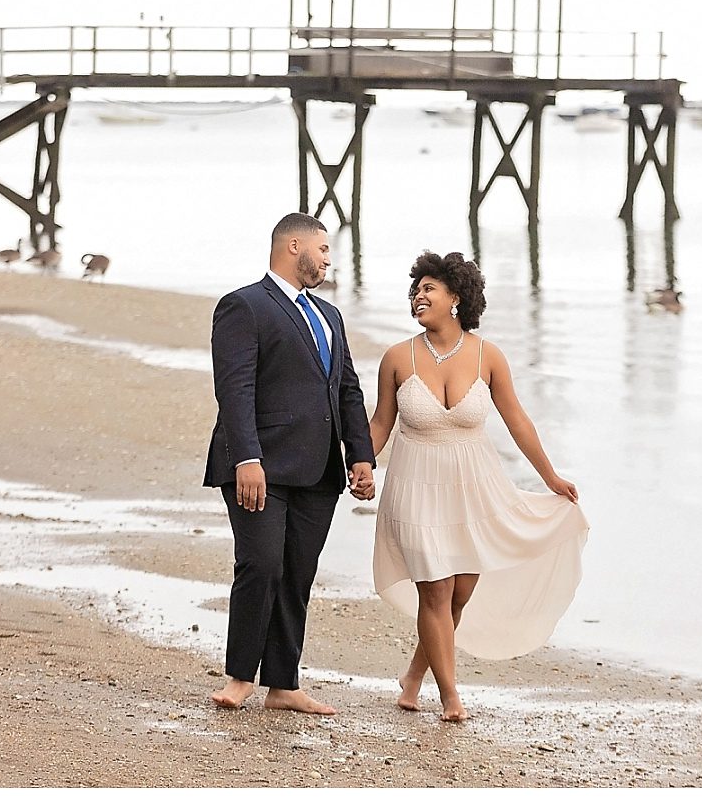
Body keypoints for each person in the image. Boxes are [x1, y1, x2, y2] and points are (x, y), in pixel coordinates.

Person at [367, 251, 589, 721]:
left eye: (428, 289)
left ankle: (414, 675)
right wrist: (361, 464)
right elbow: (381, 422)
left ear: (456, 298)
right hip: (415, 485)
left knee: (460, 592)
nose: (418, 297)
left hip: (474, 486)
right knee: (435, 589)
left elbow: (517, 420)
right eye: (415, 290)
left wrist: (550, 476)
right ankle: (450, 696)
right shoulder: (396, 358)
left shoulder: (488, 356)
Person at [203, 213, 375, 715]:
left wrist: (360, 454)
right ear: (293, 245)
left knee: (297, 572)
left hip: (318, 469)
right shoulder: (244, 305)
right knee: (261, 564)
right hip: (259, 465)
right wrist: (247, 458)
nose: (327, 259)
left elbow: (346, 388)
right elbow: (235, 388)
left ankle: (283, 685)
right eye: (322, 249)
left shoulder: (329, 315)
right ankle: (240, 677)